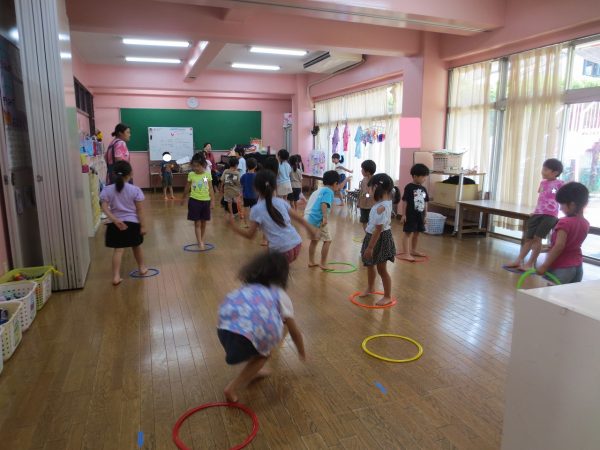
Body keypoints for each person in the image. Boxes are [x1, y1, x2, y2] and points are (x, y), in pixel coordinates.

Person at [217, 252, 306, 402]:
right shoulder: (280, 295)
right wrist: (301, 352)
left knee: (254, 341)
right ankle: (231, 388)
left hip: (224, 330)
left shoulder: (248, 288)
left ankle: (253, 371)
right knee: (263, 355)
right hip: (246, 336)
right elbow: (294, 331)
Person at [228, 170, 318, 263]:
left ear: (255, 188)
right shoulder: (281, 202)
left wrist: (234, 227)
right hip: (296, 244)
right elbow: (300, 219)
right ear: (275, 186)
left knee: (271, 266)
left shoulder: (256, 209)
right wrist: (311, 230)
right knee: (274, 259)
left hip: (281, 251)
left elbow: (250, 235)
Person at [506, 158, 565, 271]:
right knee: (528, 239)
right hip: (538, 214)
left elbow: (563, 198)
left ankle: (530, 264)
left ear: (555, 172)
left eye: (546, 169)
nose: (543, 171)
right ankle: (518, 261)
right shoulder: (543, 182)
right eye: (543, 169)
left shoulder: (560, 184)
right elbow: (542, 198)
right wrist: (536, 211)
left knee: (537, 239)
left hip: (550, 215)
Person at [99, 161, 147, 286]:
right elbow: (140, 211)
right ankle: (142, 268)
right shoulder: (135, 190)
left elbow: (104, 207)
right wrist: (143, 226)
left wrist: (114, 219)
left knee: (118, 250)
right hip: (132, 224)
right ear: (131, 174)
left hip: (115, 225)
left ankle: (116, 276)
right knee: (136, 246)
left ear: (114, 174)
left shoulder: (107, 190)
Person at [536, 182, 589, 284]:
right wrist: (551, 246)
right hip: (578, 267)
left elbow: (559, 246)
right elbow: (572, 243)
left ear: (572, 205)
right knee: (567, 293)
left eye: (562, 205)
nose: (560, 208)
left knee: (551, 293)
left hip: (561, 268)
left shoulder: (564, 222)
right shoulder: (586, 223)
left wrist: (544, 266)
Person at [359, 173, 396, 306]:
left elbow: (378, 229)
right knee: (370, 264)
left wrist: (370, 247)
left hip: (379, 237)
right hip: (373, 235)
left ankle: (387, 296)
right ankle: (370, 287)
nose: (368, 191)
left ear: (377, 188)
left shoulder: (381, 208)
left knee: (381, 269)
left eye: (370, 188)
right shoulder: (384, 202)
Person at [304, 170, 340, 268]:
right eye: (338, 184)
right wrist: (324, 217)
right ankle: (323, 263)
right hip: (317, 219)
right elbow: (323, 204)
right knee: (327, 240)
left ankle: (311, 261)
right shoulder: (329, 192)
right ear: (335, 183)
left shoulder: (319, 190)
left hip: (309, 218)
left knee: (314, 240)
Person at [180, 154, 214, 250]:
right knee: (197, 223)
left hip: (206, 201)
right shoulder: (191, 175)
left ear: (203, 165)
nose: (195, 168)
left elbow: (210, 188)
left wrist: (212, 201)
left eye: (198, 166)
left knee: (204, 223)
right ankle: (199, 242)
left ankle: (201, 239)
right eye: (194, 166)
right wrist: (183, 198)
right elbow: (187, 187)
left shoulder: (206, 175)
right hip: (194, 201)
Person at [400, 163, 430, 261]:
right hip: (410, 215)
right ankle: (406, 253)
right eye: (423, 176)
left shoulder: (423, 189)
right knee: (407, 234)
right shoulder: (409, 187)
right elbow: (405, 201)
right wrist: (403, 215)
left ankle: (413, 250)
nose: (425, 179)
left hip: (420, 215)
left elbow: (426, 203)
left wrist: (425, 216)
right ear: (415, 176)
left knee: (417, 233)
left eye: (425, 176)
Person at [221, 156, 243, 223]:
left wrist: (221, 188)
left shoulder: (226, 171)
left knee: (229, 202)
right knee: (237, 202)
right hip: (235, 191)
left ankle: (231, 214)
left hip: (227, 190)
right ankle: (240, 213)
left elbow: (222, 180)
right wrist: (240, 191)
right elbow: (238, 183)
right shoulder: (237, 173)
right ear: (236, 165)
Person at [358, 160, 376, 230]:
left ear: (368, 171)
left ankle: (371, 235)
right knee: (364, 221)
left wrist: (366, 195)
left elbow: (370, 195)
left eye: (362, 169)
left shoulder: (375, 181)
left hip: (372, 206)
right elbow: (361, 191)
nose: (361, 171)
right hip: (363, 205)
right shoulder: (364, 180)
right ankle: (367, 235)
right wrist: (359, 201)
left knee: (372, 222)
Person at [240, 157, 258, 228]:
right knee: (254, 211)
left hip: (246, 196)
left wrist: (241, 194)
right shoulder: (257, 176)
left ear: (246, 166)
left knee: (246, 210)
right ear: (256, 166)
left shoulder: (244, 176)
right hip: (254, 197)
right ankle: (254, 225)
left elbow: (241, 185)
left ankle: (246, 224)